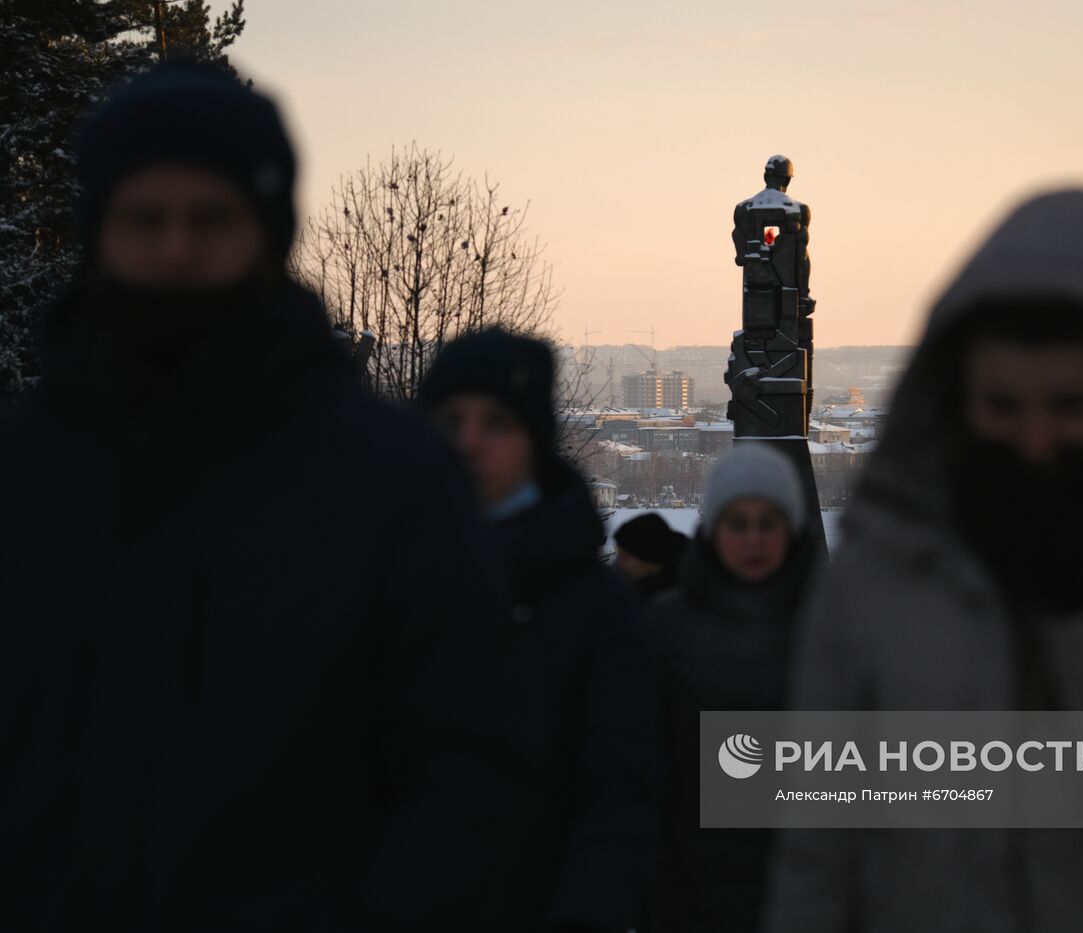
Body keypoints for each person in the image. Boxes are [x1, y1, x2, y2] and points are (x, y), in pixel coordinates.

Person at [0, 63, 511, 931]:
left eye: (210, 218)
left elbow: (466, 773)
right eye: (144, 218)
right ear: (99, 230)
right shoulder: (27, 474)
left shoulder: (391, 480)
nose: (176, 248)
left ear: (267, 232)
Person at [762, 190, 1083, 932]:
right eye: (1002, 407)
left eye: (1071, 406)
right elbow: (818, 845)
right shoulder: (882, 568)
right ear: (956, 398)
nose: (1036, 443)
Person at [419, 327, 653, 933]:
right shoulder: (380, 576)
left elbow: (618, 793)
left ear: (535, 443)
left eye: (496, 423)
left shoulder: (593, 607)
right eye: (450, 422)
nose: (469, 443)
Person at [648, 443, 822, 933]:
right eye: (737, 523)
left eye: (768, 523)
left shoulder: (832, 629)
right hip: (691, 891)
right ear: (713, 530)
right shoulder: (666, 627)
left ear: (791, 529)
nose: (753, 540)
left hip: (808, 888)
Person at [613, 512, 688, 605]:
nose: (617, 561)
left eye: (625, 557)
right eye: (618, 554)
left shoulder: (687, 598)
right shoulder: (625, 587)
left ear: (648, 558)